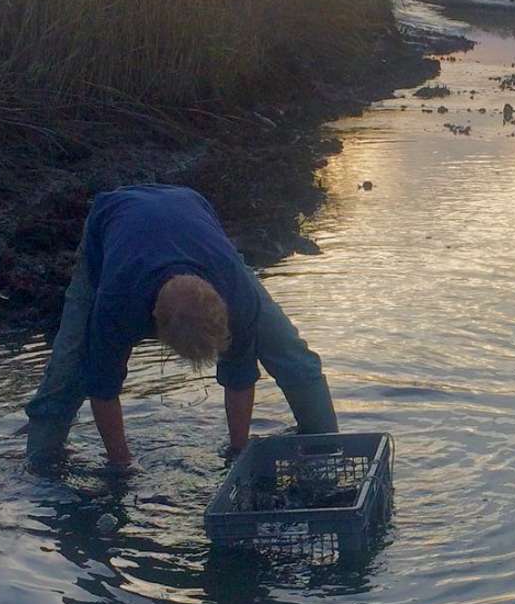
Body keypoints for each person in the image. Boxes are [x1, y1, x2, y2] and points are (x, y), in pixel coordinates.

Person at [24, 184, 336, 467]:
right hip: (112, 225)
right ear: (153, 325)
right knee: (69, 367)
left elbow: (240, 376)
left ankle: (327, 448)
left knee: (288, 351)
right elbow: (103, 389)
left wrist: (238, 454)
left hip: (192, 212)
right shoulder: (117, 303)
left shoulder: (237, 296)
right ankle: (41, 462)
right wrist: (122, 466)